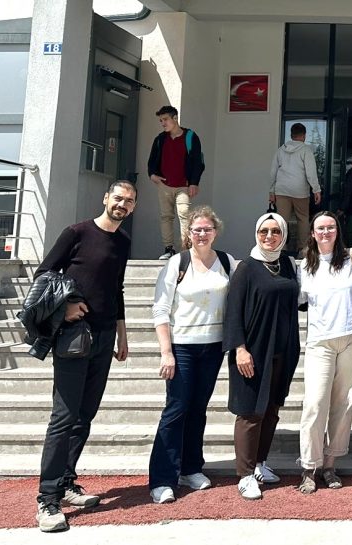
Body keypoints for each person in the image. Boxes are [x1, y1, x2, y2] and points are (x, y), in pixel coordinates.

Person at [33, 180, 134, 533]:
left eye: (129, 201)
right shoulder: (76, 233)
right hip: (74, 335)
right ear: (106, 198)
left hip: (105, 337)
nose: (122, 204)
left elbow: (116, 288)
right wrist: (66, 307)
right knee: (64, 417)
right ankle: (47, 499)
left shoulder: (123, 242)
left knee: (84, 415)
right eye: (118, 197)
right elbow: (44, 274)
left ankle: (65, 482)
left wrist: (122, 333)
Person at [147, 206, 238, 504]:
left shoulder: (227, 262)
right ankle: (162, 479)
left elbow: (238, 301)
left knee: (198, 408)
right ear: (188, 233)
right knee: (176, 409)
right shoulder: (178, 263)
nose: (202, 234)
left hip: (213, 347)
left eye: (207, 229)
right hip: (182, 347)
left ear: (215, 231)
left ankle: (190, 468)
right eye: (197, 229)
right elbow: (161, 309)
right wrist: (166, 352)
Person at [223, 212, 301, 500]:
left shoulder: (287, 265)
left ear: (283, 235)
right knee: (250, 411)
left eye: (275, 231)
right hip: (253, 352)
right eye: (263, 231)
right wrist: (239, 349)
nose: (269, 236)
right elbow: (233, 311)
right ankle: (244, 474)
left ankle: (259, 464)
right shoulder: (246, 268)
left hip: (282, 351)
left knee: (271, 408)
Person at [296, 211, 352, 494]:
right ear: (312, 234)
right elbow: (299, 301)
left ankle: (329, 464)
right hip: (320, 343)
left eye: (330, 227)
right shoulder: (305, 265)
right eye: (320, 228)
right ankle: (308, 467)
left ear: (337, 231)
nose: (326, 232)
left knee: (344, 403)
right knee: (315, 404)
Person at [148, 105, 205, 260]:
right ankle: (169, 249)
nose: (163, 123)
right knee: (166, 216)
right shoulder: (160, 139)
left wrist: (194, 182)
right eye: (161, 120)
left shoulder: (190, 136)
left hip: (183, 185)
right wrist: (152, 175)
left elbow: (198, 162)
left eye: (165, 119)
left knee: (184, 215)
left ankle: (186, 250)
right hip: (164, 185)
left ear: (175, 118)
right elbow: (152, 160)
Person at [269, 123, 322, 253]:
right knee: (302, 219)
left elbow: (273, 172)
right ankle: (303, 249)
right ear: (304, 135)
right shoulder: (306, 150)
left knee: (281, 221)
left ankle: (281, 249)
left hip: (282, 190)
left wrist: (271, 191)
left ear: (291, 135)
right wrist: (316, 189)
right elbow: (311, 173)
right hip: (300, 191)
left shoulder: (280, 150)